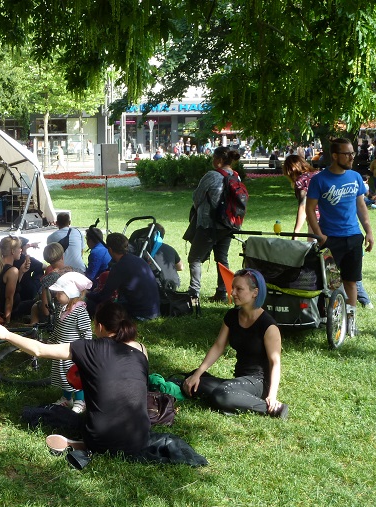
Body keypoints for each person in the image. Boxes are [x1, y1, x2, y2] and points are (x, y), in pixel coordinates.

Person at [0, 301, 205, 467]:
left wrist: (7, 334)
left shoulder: (87, 348)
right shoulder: (141, 349)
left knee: (58, 415)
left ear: (100, 326)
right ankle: (88, 445)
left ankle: (86, 445)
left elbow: (39, 350)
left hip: (99, 436)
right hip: (139, 436)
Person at [183, 268, 288, 418]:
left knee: (222, 394)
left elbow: (275, 363)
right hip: (239, 380)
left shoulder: (268, 325)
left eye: (239, 289)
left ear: (255, 292)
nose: (232, 293)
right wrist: (197, 374)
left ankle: (273, 409)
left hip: (259, 383)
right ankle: (232, 397)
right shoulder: (232, 316)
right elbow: (218, 346)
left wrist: (272, 396)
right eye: (233, 288)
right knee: (194, 382)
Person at [306, 138, 374, 337]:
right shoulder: (320, 180)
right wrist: (319, 235)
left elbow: (361, 206)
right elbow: (310, 209)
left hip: (353, 238)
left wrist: (369, 231)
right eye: (347, 154)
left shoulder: (355, 177)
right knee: (332, 283)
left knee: (351, 281)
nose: (352, 157)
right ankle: (331, 318)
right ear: (335, 156)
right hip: (330, 239)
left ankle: (350, 322)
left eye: (353, 153)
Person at [186, 146, 241, 301]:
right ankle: (222, 292)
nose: (212, 161)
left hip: (208, 225)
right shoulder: (236, 176)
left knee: (195, 258)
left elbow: (197, 198)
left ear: (219, 160)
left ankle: (194, 293)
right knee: (222, 259)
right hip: (228, 225)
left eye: (213, 158)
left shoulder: (211, 175)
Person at [47, 272, 93, 414]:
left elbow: (87, 332)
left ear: (71, 293)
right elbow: (58, 328)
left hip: (74, 353)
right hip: (61, 351)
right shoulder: (62, 309)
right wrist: (51, 341)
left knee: (75, 376)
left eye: (59, 293)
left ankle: (80, 400)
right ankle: (67, 398)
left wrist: (86, 351)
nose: (56, 296)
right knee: (63, 376)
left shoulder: (79, 311)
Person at [86, 233, 160, 320]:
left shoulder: (119, 267)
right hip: (154, 311)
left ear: (110, 249)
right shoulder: (138, 260)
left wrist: (87, 294)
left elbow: (103, 297)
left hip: (140, 314)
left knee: (91, 304)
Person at [0, 236, 32, 323]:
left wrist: (21, 271)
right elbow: (9, 298)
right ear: (12, 251)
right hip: (1, 312)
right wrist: (7, 322)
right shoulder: (12, 271)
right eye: (19, 248)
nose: (21, 250)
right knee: (36, 304)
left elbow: (6, 288)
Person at [283, 154, 321, 238]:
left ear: (290, 171)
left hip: (316, 221)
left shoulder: (302, 180)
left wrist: (296, 233)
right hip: (333, 219)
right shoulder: (319, 174)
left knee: (314, 245)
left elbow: (303, 206)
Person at [13, 237, 44, 302]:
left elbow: (24, 247)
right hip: (28, 290)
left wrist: (31, 245)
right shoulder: (27, 260)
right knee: (39, 270)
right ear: (21, 248)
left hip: (18, 289)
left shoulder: (11, 259)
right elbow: (44, 266)